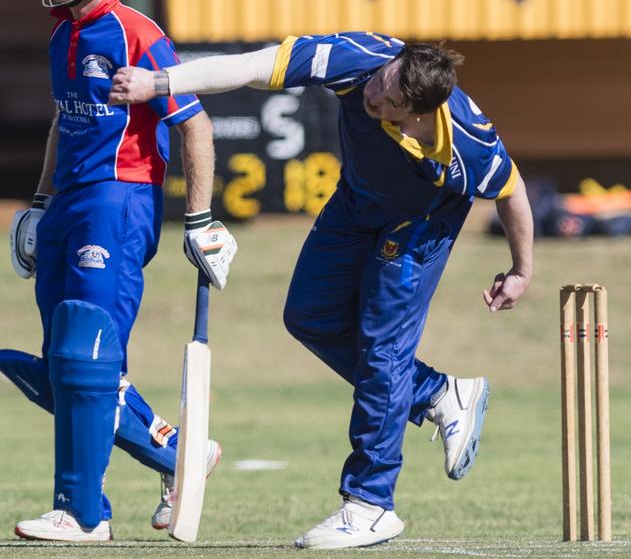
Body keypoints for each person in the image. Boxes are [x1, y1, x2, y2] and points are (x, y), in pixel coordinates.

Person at [110, 32, 535, 549]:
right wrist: (159, 82)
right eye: (381, 83)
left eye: (389, 101)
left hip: (419, 224)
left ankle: (371, 505)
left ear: (420, 111)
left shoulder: (467, 142)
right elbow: (250, 66)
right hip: (356, 200)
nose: (373, 96)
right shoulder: (358, 60)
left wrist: (520, 268)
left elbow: (512, 191)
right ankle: (438, 393)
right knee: (307, 315)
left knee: (383, 351)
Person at [0, 0, 236, 543]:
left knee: (84, 352)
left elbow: (194, 124)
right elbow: (63, 120)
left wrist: (202, 218)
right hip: (69, 202)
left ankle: (82, 513)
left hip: (120, 200)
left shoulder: (138, 34)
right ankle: (179, 455)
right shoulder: (61, 37)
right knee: (68, 367)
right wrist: (40, 204)